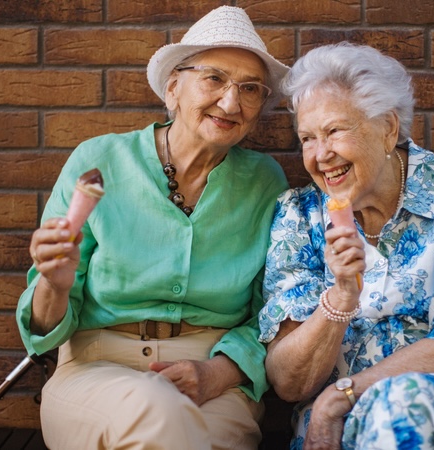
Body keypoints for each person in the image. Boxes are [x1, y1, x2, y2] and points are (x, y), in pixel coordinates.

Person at [15, 6, 290, 450]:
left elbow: (271, 313)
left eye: (250, 89)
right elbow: (41, 329)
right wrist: (54, 283)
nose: (230, 102)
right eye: (214, 78)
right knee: (156, 411)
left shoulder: (265, 183)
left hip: (213, 380)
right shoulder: (99, 160)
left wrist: (220, 372)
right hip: (95, 372)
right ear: (173, 87)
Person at [258, 43, 434, 450]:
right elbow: (289, 382)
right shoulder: (300, 215)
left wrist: (343, 393)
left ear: (388, 128)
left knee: (401, 409)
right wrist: (342, 296)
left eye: (334, 131)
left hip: (431, 409)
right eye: (307, 138)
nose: (320, 154)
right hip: (329, 428)